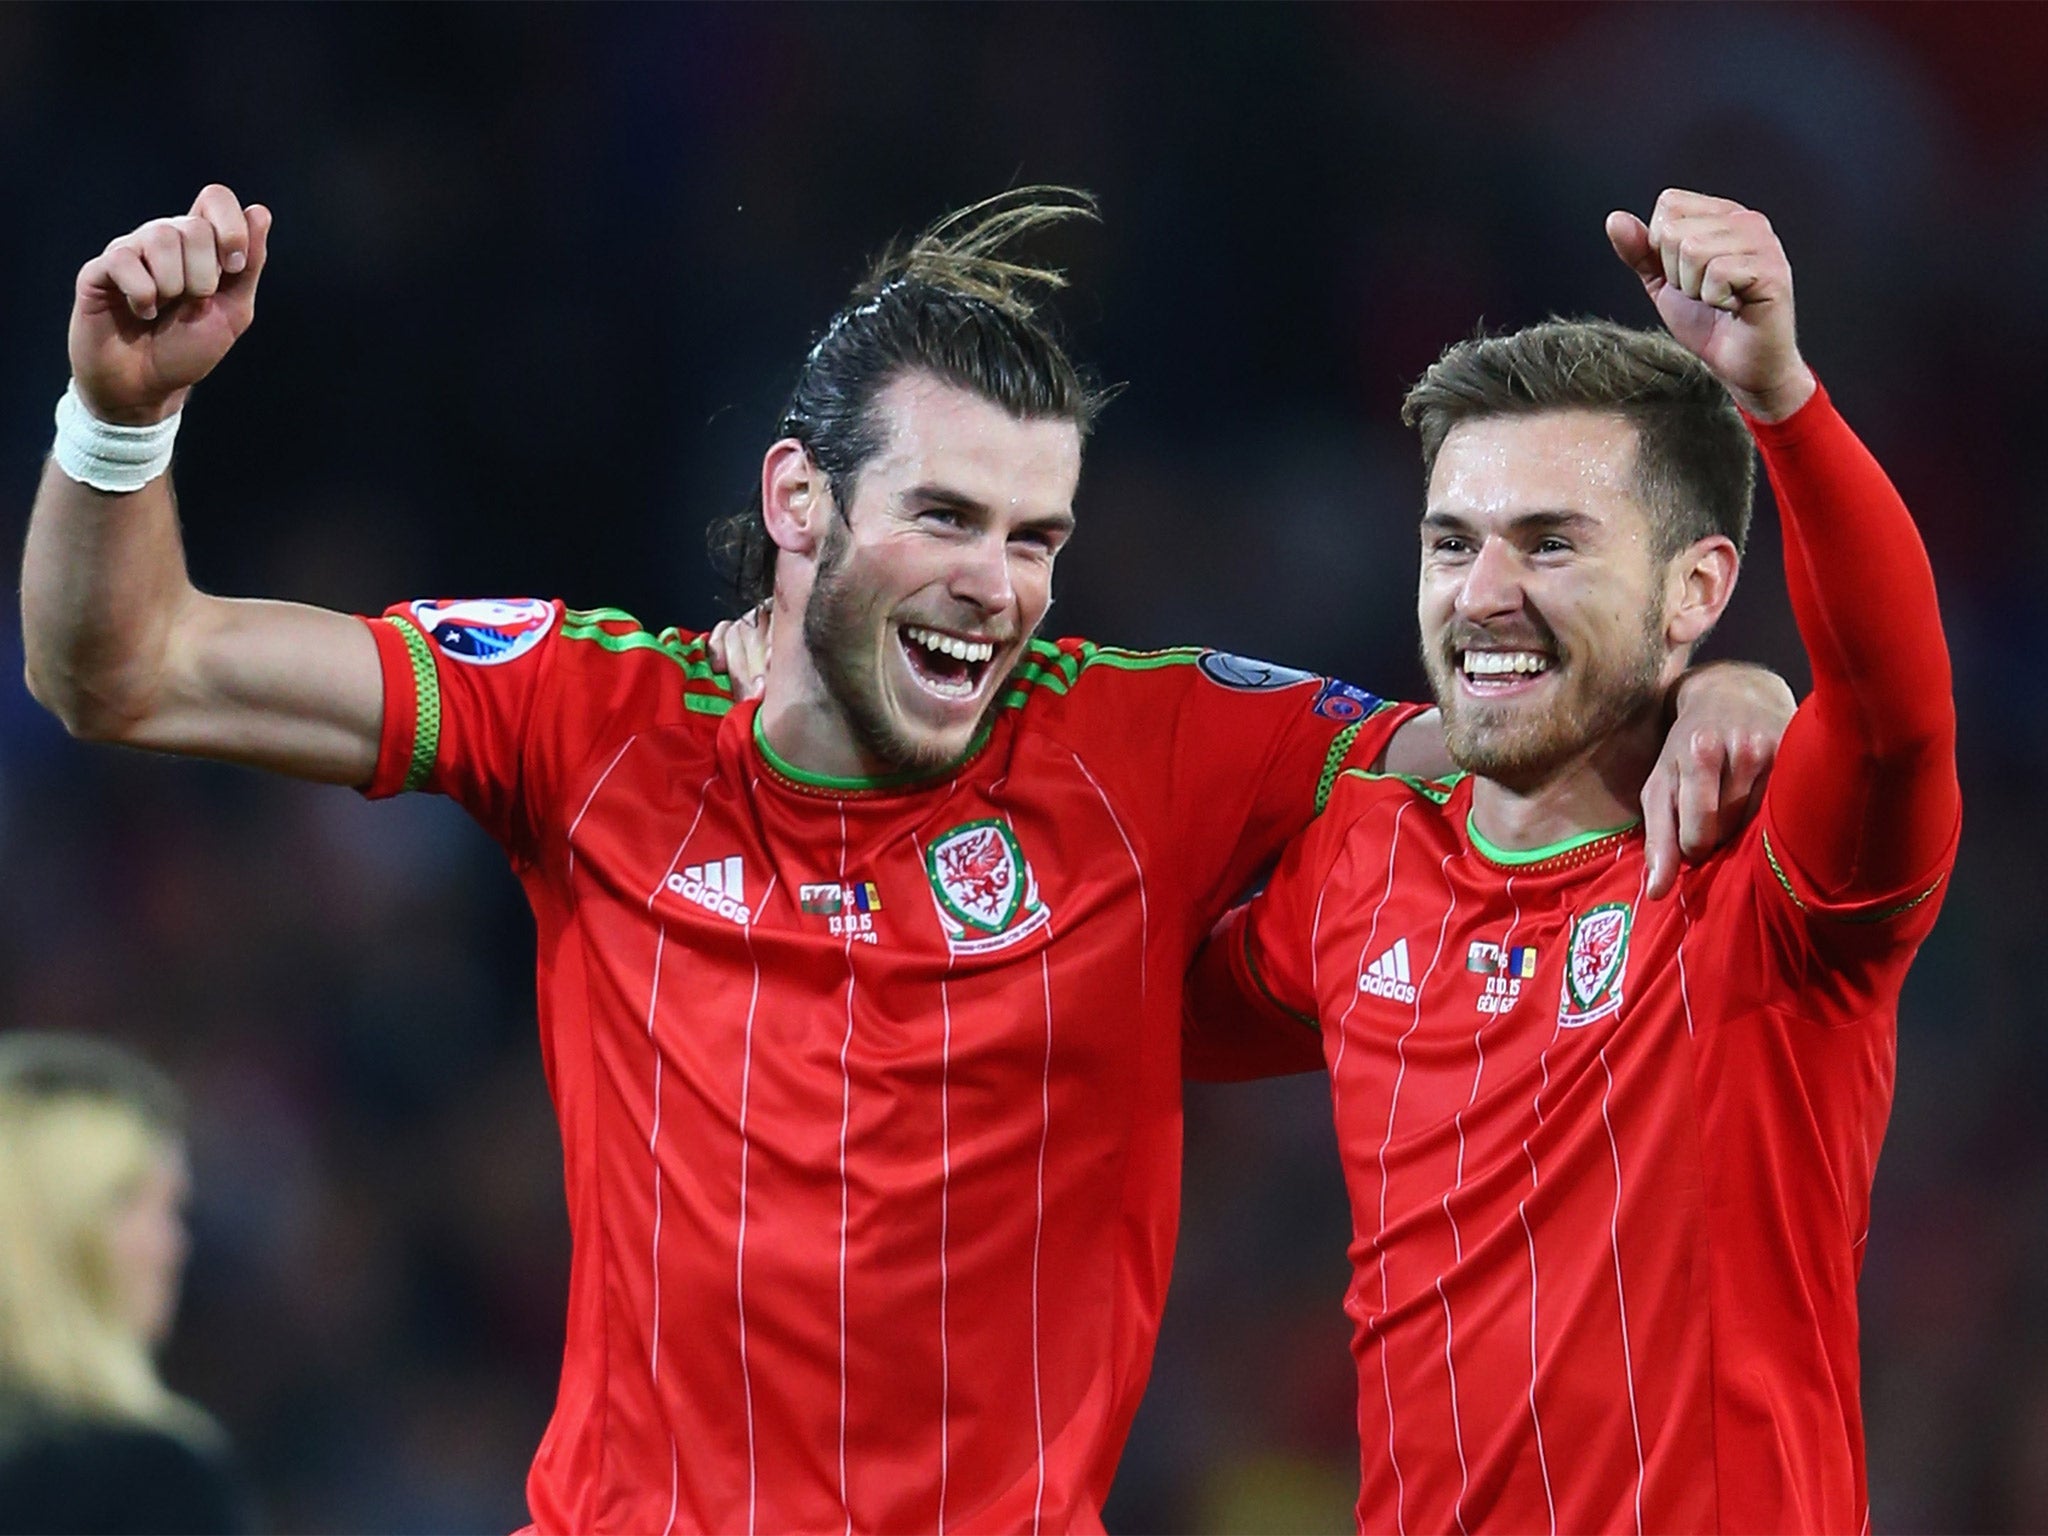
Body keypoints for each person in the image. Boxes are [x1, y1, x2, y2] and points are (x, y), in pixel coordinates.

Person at [22, 183, 1791, 1534]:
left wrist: (1719, 684)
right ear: (799, 505)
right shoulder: (584, 716)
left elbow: (1510, 725)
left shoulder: (1144, 743)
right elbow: (127, 668)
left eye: (1037, 538)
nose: (998, 587)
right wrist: (119, 416)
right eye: (944, 517)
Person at [1187, 188, 1959, 1533]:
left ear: (1695, 593)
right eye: (1451, 543)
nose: (1485, 592)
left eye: (1551, 542)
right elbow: (1098, 992)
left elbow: (1897, 720)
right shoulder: (1359, 862)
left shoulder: (1770, 872)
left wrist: (1778, 396)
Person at [0, 1032, 254, 1534]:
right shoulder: (149, 1478)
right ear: (53, 1227)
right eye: (135, 1204)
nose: (173, 1245)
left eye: (175, 1209)